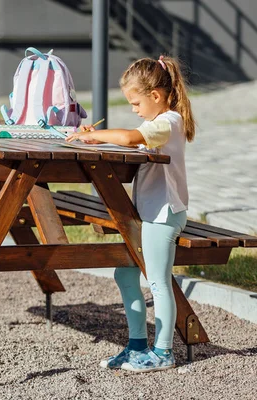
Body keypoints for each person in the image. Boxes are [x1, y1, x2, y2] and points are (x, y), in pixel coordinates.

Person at [66, 55, 195, 373]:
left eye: (136, 103)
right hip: (148, 213)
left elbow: (127, 139)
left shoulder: (168, 122)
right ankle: (137, 345)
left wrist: (94, 135)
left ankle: (163, 352)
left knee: (158, 282)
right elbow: (128, 144)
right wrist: (92, 136)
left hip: (164, 214)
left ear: (156, 96)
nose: (134, 110)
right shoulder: (154, 124)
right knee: (125, 274)